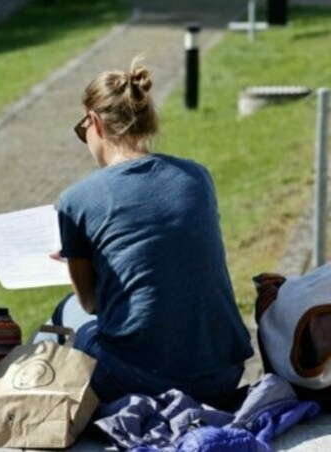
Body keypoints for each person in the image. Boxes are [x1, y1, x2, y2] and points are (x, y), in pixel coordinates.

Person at [51, 56, 253, 406]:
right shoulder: (197, 177)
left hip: (138, 381)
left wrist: (82, 260)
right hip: (222, 375)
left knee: (66, 314)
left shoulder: (76, 200)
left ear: (95, 123)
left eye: (82, 129)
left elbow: (92, 303)